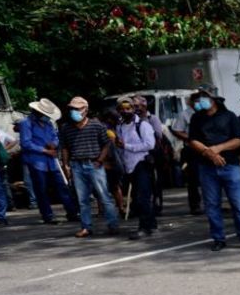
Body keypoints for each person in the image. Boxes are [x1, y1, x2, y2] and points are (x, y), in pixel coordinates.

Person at [188, 87, 240, 251]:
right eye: (199, 98)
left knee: (238, 204)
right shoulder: (197, 118)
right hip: (206, 167)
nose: (201, 101)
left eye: (205, 97)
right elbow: (193, 141)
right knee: (212, 205)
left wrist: (218, 148)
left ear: (214, 100)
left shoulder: (229, 116)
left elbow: (239, 140)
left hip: (230, 165)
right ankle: (218, 238)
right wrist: (209, 153)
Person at [60, 96, 119, 237]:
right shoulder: (66, 128)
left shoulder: (96, 125)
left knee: (104, 196)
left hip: (94, 164)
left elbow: (107, 143)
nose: (74, 111)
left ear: (85, 110)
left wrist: (100, 160)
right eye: (72, 109)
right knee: (83, 199)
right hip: (76, 165)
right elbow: (64, 148)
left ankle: (112, 225)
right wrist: (66, 165)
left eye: (77, 108)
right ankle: (86, 227)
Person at [20, 98, 77, 225]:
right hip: (36, 161)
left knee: (62, 186)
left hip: (52, 160)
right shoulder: (26, 123)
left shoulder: (49, 124)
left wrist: (54, 144)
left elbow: (55, 137)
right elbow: (26, 143)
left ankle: (72, 212)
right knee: (41, 189)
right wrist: (44, 150)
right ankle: (48, 215)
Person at [115, 98, 157, 239]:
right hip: (129, 166)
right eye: (122, 109)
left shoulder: (143, 125)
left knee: (142, 197)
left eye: (128, 108)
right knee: (137, 196)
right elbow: (120, 148)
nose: (125, 111)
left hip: (142, 163)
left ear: (133, 109)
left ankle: (144, 227)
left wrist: (127, 146)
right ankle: (151, 223)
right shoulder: (120, 127)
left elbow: (149, 145)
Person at [133, 95, 169, 215]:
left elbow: (158, 135)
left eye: (137, 106)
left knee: (155, 181)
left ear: (144, 105)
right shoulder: (132, 119)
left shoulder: (152, 118)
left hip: (153, 154)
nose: (136, 108)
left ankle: (157, 204)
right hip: (138, 154)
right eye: (134, 106)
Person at [170, 93, 203, 215]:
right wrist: (191, 138)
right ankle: (195, 205)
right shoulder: (184, 114)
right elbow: (177, 131)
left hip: (208, 148)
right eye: (197, 101)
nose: (200, 103)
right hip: (192, 149)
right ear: (191, 102)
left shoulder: (206, 113)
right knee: (193, 178)